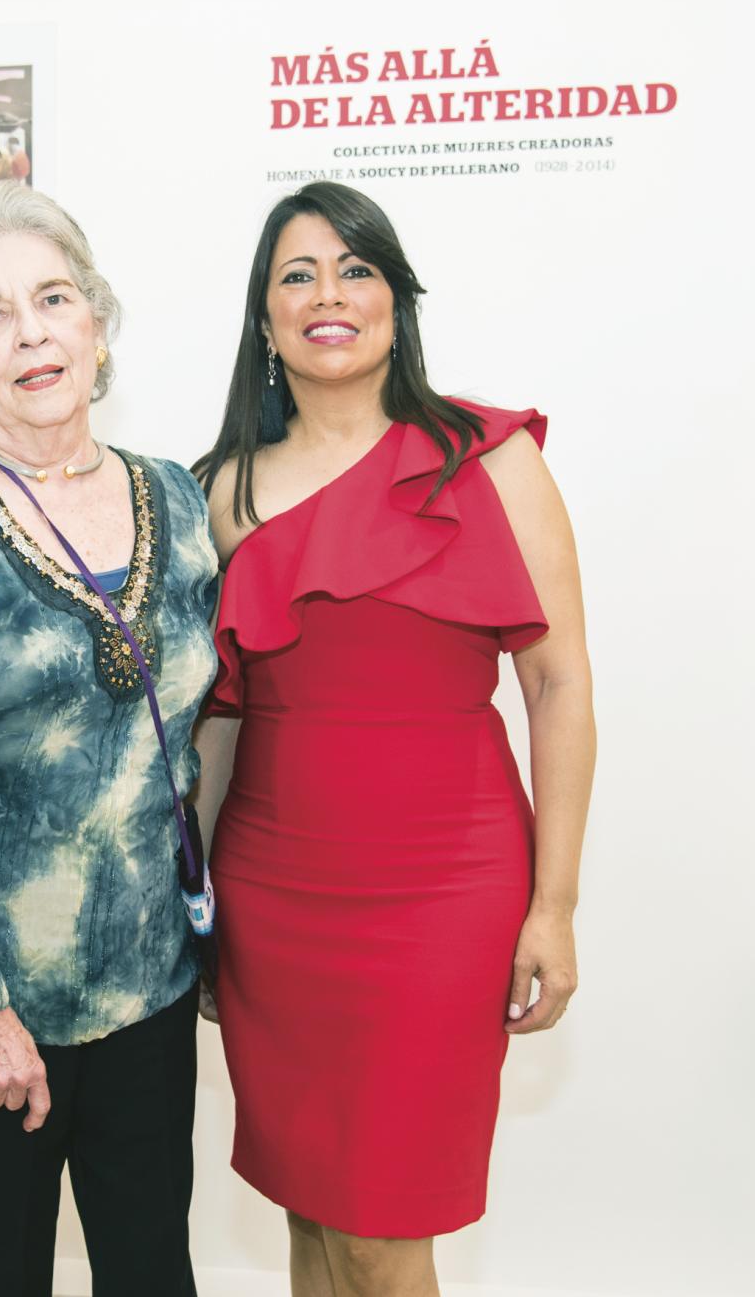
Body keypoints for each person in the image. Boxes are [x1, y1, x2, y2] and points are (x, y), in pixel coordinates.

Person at [193, 181, 595, 1297]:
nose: (328, 295)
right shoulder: (217, 494)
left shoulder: (488, 460)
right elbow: (216, 719)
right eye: (297, 274)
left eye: (355, 268)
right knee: (311, 1215)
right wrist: (201, 909)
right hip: (273, 890)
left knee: (382, 1229)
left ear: (394, 299)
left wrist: (551, 905)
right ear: (263, 316)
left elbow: (558, 684)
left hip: (443, 888)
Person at [0, 180, 218, 1297]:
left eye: (52, 299)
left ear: (95, 327)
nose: (29, 334)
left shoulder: (176, 495)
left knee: (153, 1274)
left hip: (150, 993)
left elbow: (193, 736)